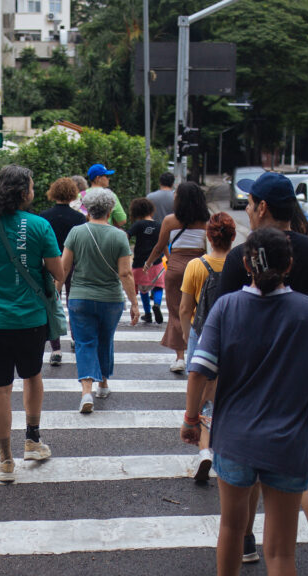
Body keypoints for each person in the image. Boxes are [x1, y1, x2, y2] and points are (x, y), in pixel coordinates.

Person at [183, 227, 308, 576]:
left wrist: (191, 420)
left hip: (234, 439)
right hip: (287, 444)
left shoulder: (226, 307)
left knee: (232, 529)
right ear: (289, 265)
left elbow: (199, 370)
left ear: (247, 263)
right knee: (280, 551)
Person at [219, 171, 308, 574]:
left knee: (246, 471)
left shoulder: (240, 257)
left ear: (261, 207)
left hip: (244, 390)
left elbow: (219, 327)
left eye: (248, 202)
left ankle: (244, 538)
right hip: (304, 387)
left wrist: (197, 410)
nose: (246, 208)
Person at [0, 165, 65, 483]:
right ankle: (33, 440)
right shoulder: (39, 226)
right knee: (32, 376)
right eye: (32, 187)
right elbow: (59, 272)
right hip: (31, 320)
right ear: (23, 193)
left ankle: (5, 461)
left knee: (0, 389)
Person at [62, 188, 140, 412]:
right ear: (110, 209)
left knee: (85, 342)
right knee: (105, 339)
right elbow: (125, 273)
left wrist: (56, 291)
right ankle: (103, 383)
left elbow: (64, 266)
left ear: (88, 209)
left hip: (80, 297)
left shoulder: (76, 232)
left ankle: (86, 392)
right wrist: (134, 303)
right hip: (110, 299)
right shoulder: (119, 236)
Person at [178, 212, 236, 481]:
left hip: (201, 336)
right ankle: (221, 447)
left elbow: (185, 308)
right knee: (223, 393)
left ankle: (205, 450)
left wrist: (189, 336)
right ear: (233, 236)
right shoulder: (240, 265)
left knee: (201, 392)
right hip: (233, 336)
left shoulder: (196, 266)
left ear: (208, 237)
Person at [143, 182, 211, 373]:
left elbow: (159, 246)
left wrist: (148, 263)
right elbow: (209, 246)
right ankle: (199, 352)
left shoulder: (170, 220)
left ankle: (180, 357)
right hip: (201, 266)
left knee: (177, 311)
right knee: (200, 310)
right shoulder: (207, 221)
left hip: (177, 266)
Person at [39, 177, 87, 365]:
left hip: (50, 262)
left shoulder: (44, 216)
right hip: (74, 263)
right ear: (72, 193)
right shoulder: (79, 218)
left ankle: (56, 348)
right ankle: (75, 338)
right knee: (73, 302)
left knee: (52, 304)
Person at [127, 198, 165, 324]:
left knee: (143, 289)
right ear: (151, 210)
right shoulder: (159, 225)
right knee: (158, 287)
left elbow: (127, 236)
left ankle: (148, 313)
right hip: (156, 262)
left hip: (139, 263)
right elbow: (163, 244)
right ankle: (157, 304)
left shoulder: (138, 225)